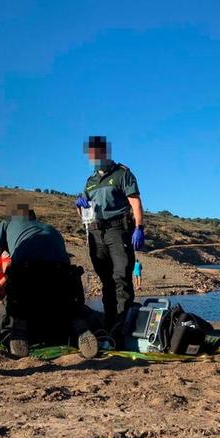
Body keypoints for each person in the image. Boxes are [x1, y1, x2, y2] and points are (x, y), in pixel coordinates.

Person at [0, 199, 98, 359]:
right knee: (68, 307)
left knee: (12, 308)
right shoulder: (51, 229)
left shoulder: (6, 225)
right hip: (65, 280)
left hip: (28, 276)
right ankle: (78, 324)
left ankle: (18, 328)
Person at [75, 135, 144, 342]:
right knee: (106, 281)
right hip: (96, 232)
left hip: (118, 229)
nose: (94, 157)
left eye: (98, 153)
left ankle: (124, 326)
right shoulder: (90, 181)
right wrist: (79, 206)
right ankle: (110, 324)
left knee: (121, 277)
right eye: (91, 154)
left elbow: (135, 203)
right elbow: (83, 215)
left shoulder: (123, 174)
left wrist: (139, 227)